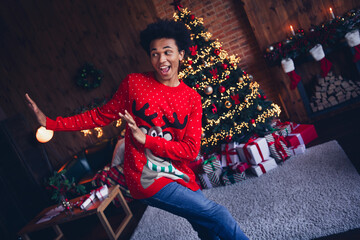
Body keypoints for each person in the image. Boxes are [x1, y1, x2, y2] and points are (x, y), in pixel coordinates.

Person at [26, 19, 249, 240]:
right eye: (154, 53)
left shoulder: (192, 99)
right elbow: (99, 115)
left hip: (179, 173)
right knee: (218, 214)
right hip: (146, 176)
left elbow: (190, 150)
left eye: (167, 52)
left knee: (206, 224)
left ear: (181, 54)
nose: (161, 60)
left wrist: (147, 140)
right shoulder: (135, 84)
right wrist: (51, 123)